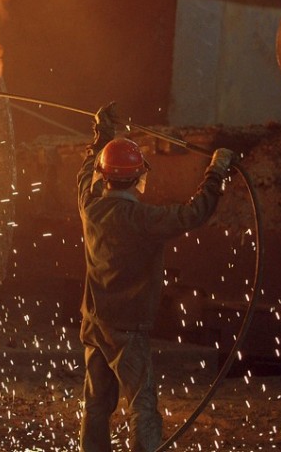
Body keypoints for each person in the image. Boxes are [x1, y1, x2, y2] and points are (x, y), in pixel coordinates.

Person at [77, 104, 235, 452]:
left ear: (105, 177)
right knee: (141, 405)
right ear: (138, 177)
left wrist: (102, 135)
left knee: (97, 405)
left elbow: (86, 172)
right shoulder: (143, 219)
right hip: (128, 327)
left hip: (94, 323)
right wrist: (216, 172)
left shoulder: (90, 208)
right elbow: (195, 213)